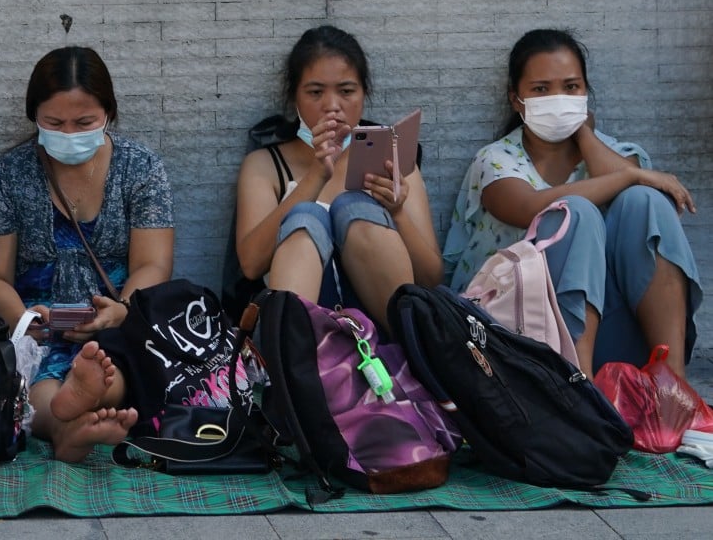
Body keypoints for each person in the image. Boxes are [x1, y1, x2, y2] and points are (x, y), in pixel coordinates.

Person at [443, 28, 702, 377]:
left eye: (570, 88)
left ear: (585, 94)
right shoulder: (496, 160)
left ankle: (672, 386)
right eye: (540, 89)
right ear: (515, 99)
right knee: (574, 211)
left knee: (644, 201)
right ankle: (580, 396)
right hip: (512, 341)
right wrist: (628, 177)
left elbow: (641, 189)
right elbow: (528, 206)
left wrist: (583, 134)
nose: (558, 100)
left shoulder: (617, 154)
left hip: (609, 337)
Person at [0, 46, 174, 463]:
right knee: (35, 370)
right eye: (54, 123)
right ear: (34, 117)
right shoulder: (9, 174)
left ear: (109, 114)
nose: (68, 134)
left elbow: (153, 264)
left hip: (116, 315)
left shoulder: (142, 169)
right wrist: (26, 322)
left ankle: (73, 412)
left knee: (109, 359)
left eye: (84, 123)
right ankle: (71, 417)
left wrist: (120, 310)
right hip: (33, 319)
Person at [234, 25, 442, 331]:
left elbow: (431, 278)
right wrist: (315, 177)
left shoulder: (391, 158)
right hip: (305, 333)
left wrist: (396, 212)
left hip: (385, 329)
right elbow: (251, 265)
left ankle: (405, 352)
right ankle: (297, 363)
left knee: (355, 208)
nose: (332, 106)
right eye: (315, 92)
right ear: (295, 97)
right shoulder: (264, 164)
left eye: (346, 91)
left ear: (363, 94)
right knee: (306, 216)